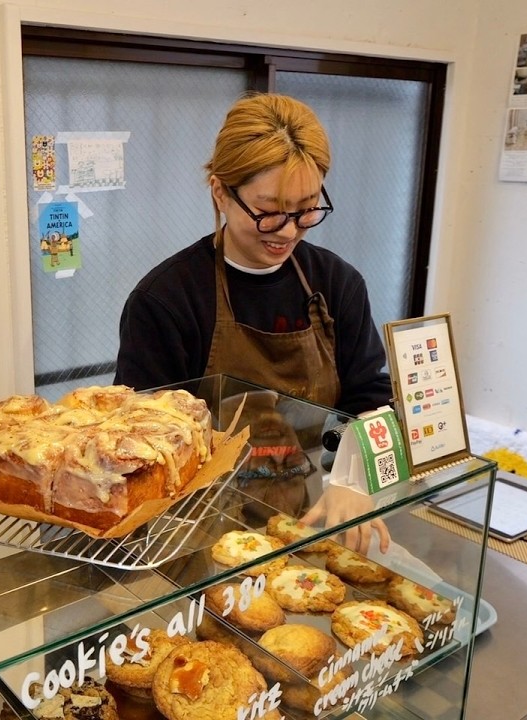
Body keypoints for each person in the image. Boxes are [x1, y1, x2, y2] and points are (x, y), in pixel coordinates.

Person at [113, 93, 392, 552]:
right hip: (193, 535)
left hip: (310, 519)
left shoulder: (337, 284)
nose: (288, 230)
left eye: (306, 209)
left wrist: (354, 474)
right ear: (221, 192)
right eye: (268, 211)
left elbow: (370, 397)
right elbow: (142, 444)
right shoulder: (166, 299)